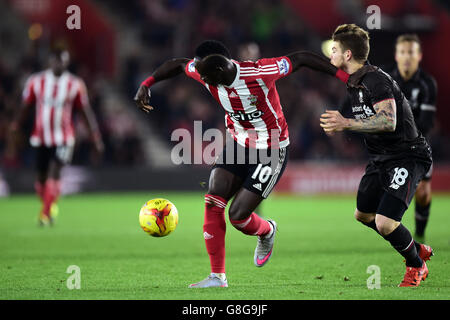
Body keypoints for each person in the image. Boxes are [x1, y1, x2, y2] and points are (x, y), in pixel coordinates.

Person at [134, 40, 351, 288]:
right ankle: (217, 277)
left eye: (205, 76)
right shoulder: (206, 71)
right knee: (213, 197)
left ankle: (267, 230)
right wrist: (146, 84)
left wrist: (344, 77)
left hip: (271, 149)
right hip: (239, 145)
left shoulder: (260, 72)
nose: (201, 80)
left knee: (238, 217)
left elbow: (301, 58)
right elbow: (177, 65)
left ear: (218, 71)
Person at [319, 24, 433, 287]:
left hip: (407, 155)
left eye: (334, 50)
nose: (330, 55)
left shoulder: (375, 80)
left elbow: (389, 121)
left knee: (384, 222)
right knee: (363, 215)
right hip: (381, 158)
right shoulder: (355, 80)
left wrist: (345, 123)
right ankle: (414, 247)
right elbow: (322, 66)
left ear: (348, 55)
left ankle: (417, 265)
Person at [10, 48, 104, 226]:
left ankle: (44, 215)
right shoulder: (36, 81)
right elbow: (25, 106)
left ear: (67, 62)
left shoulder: (75, 84)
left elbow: (85, 111)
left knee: (55, 173)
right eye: (57, 60)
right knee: (41, 181)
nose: (60, 64)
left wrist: (95, 137)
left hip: (64, 138)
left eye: (63, 61)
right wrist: (15, 125)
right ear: (50, 61)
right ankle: (49, 205)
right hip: (41, 137)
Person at [388, 34, 437, 243]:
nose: (407, 57)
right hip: (390, 147)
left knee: (424, 192)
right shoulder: (387, 81)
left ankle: (419, 233)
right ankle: (392, 231)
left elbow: (426, 123)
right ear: (396, 56)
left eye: (411, 52)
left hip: (418, 146)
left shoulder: (427, 84)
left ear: (419, 56)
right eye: (403, 52)